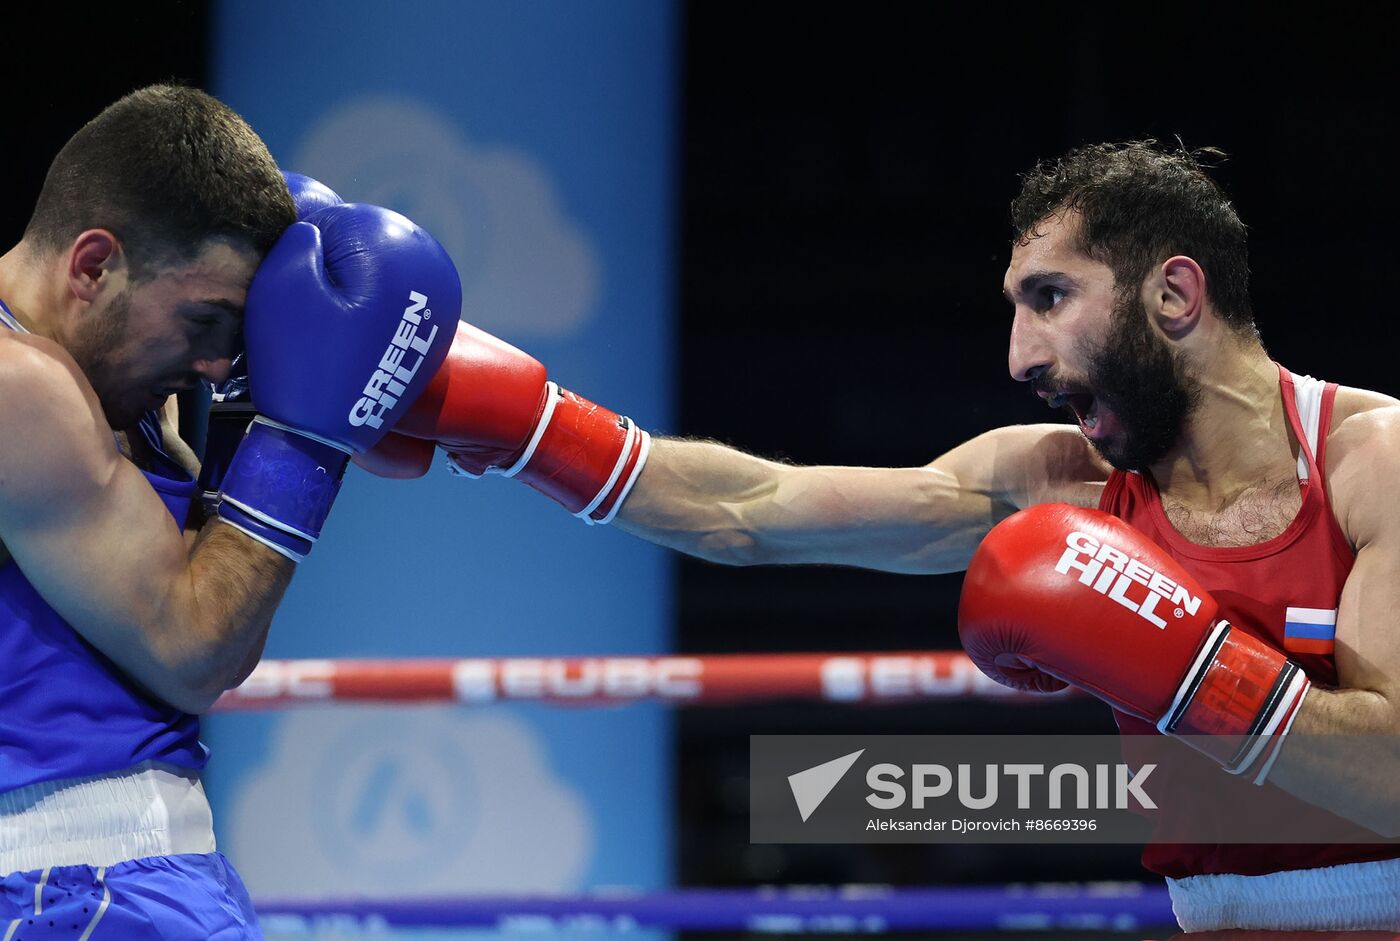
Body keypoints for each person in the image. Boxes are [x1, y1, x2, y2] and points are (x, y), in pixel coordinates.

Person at [362, 141, 1400, 933]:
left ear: (1173, 293)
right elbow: (751, 509)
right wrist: (527, 426)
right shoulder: (1056, 481)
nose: (1017, 353)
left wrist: (1189, 666)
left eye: (1049, 298)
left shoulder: (1373, 460)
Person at [0, 85, 457, 937]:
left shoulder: (114, 389)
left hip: (120, 871)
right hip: (69, 881)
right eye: (205, 320)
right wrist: (304, 434)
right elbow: (195, 647)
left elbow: (219, 641)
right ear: (92, 265)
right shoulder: (19, 387)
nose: (216, 366)